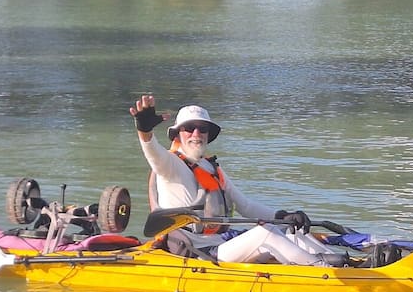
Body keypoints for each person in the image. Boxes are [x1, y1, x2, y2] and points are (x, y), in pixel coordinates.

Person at [129, 94, 339, 266]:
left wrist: (284, 216)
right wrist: (144, 131)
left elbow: (245, 206)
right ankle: (324, 271)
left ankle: (345, 266)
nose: (196, 133)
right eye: (189, 128)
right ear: (178, 134)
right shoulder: (170, 164)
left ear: (208, 134)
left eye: (203, 129)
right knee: (266, 233)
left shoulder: (211, 168)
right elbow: (152, 153)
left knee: (292, 232)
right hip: (197, 251)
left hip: (221, 243)